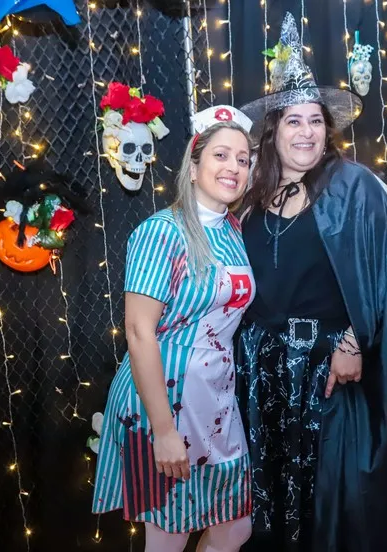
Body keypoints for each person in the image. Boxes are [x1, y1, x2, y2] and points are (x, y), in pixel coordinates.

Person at [234, 13, 387, 552]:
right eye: (294, 121)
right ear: (274, 130)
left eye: (315, 121)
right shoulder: (251, 195)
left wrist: (353, 341)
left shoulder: (353, 187)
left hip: (328, 375)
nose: (306, 132)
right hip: (265, 374)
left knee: (337, 506)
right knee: (272, 501)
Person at [92, 105, 257, 552]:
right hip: (165, 400)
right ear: (194, 164)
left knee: (234, 528)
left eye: (243, 159)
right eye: (221, 155)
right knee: (170, 536)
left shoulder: (234, 230)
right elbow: (138, 331)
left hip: (217, 400)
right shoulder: (162, 231)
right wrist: (164, 431)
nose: (234, 167)